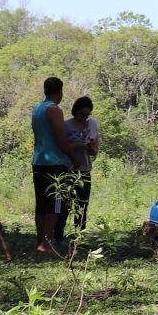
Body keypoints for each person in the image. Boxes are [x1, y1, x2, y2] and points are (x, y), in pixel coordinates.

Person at [30, 76, 76, 254]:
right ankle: (46, 243)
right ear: (59, 91)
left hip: (38, 161)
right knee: (56, 204)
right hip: (55, 163)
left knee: (41, 204)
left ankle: (40, 241)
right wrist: (74, 157)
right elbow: (61, 139)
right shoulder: (54, 109)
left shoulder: (37, 109)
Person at [64, 95, 100, 231]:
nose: (84, 117)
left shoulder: (91, 126)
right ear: (75, 111)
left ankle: (79, 235)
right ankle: (58, 235)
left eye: (87, 114)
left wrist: (90, 148)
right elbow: (59, 146)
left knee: (82, 205)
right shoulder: (66, 125)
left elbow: (95, 151)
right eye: (81, 113)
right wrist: (75, 145)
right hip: (67, 169)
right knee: (65, 204)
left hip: (84, 170)